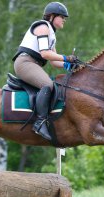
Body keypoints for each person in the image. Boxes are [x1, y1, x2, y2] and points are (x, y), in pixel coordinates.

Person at [12, 2, 78, 141]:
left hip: (32, 64)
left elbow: (54, 62)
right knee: (47, 85)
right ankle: (40, 122)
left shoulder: (51, 33)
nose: (64, 19)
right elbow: (45, 54)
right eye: (62, 16)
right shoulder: (43, 27)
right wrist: (66, 58)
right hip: (25, 63)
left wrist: (69, 65)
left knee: (50, 84)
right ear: (52, 16)